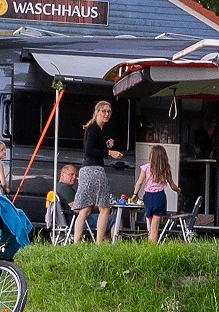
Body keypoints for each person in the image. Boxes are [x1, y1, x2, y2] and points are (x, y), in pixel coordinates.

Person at [71, 101, 121, 243]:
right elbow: (89, 150)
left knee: (85, 209)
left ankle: (75, 242)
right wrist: (109, 152)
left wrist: (105, 146)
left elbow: (92, 148)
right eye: (104, 111)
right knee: (104, 208)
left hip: (86, 170)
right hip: (95, 170)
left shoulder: (94, 129)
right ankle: (98, 243)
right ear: (97, 111)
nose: (106, 114)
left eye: (109, 112)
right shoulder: (94, 128)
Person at [132, 146, 177, 243]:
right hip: (159, 197)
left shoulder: (146, 168)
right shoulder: (165, 170)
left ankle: (151, 242)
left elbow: (139, 182)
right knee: (155, 225)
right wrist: (178, 190)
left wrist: (135, 194)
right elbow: (172, 185)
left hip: (148, 197)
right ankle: (152, 246)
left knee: (151, 223)